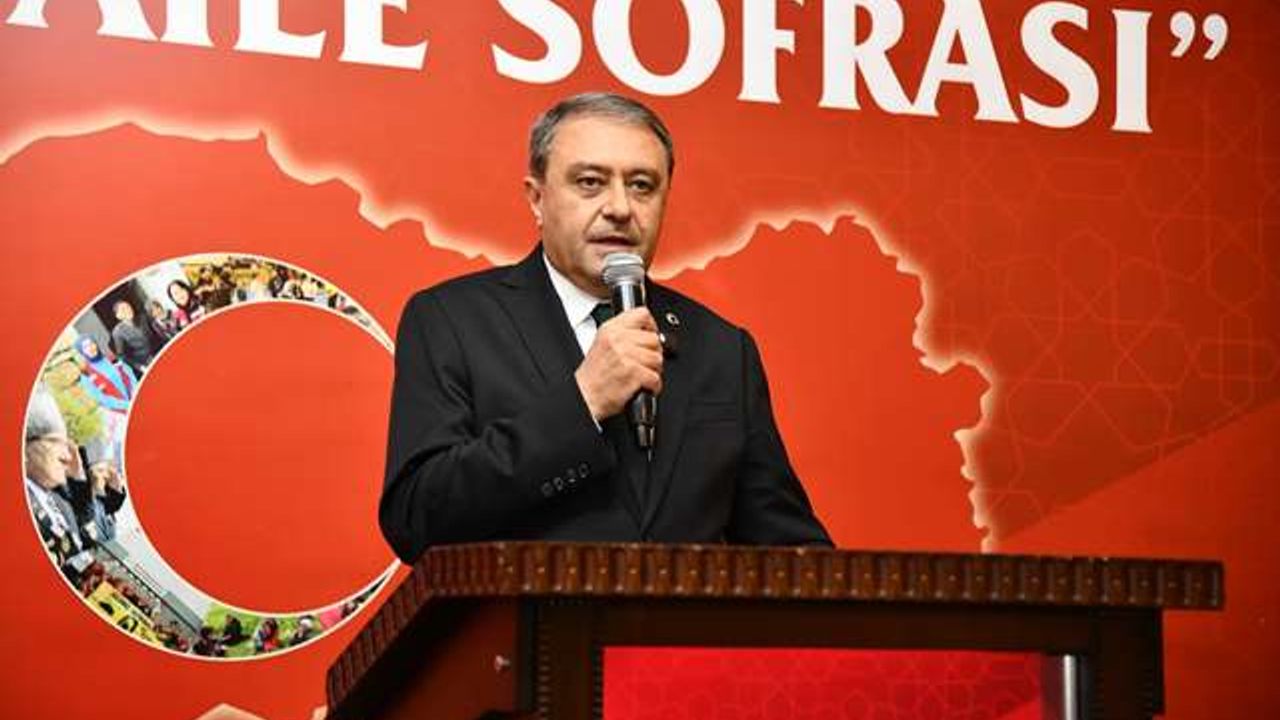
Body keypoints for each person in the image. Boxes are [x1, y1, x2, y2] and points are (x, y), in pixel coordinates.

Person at [380, 93, 830, 563]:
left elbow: (787, 544)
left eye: (642, 186)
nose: (620, 207)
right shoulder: (451, 320)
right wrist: (583, 403)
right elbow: (416, 518)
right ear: (537, 198)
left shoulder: (722, 348)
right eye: (590, 182)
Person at [24, 387, 96, 580]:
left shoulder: (61, 504)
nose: (67, 456)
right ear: (25, 445)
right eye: (56, 442)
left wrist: (79, 478)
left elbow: (87, 540)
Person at [109, 299, 154, 375]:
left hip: (156, 354)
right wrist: (140, 367)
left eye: (128, 307)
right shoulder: (118, 332)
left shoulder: (142, 318)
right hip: (142, 364)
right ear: (118, 316)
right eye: (123, 309)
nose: (128, 310)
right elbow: (122, 356)